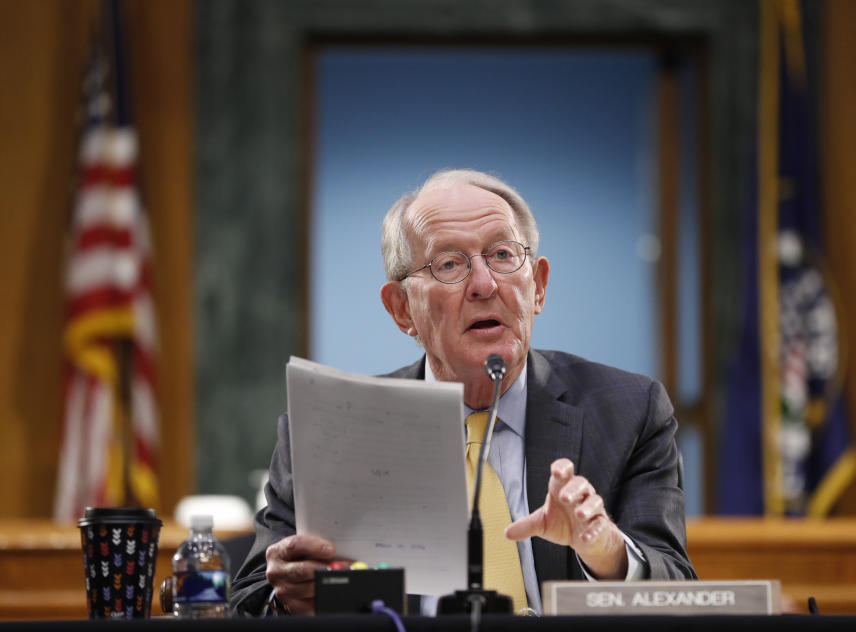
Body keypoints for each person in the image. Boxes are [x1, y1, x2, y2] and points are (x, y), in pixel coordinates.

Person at [230, 169, 695, 616]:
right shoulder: (331, 432)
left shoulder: (627, 412)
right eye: (450, 263)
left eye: (502, 255)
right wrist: (291, 597)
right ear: (401, 309)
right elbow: (249, 602)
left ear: (538, 286)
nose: (484, 284)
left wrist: (607, 550)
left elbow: (679, 590)